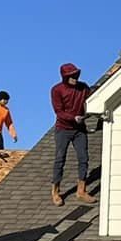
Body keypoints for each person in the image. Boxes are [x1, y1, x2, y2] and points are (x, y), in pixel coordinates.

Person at [50, 62, 95, 205]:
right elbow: (59, 111)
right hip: (63, 129)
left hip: (79, 130)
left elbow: (93, 97)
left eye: (76, 75)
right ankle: (56, 191)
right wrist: (73, 118)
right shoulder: (57, 90)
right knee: (60, 159)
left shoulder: (83, 88)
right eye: (71, 76)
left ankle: (81, 190)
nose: (75, 78)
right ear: (64, 77)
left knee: (84, 158)